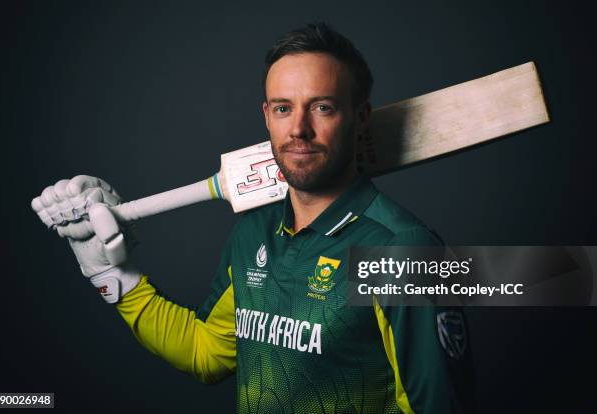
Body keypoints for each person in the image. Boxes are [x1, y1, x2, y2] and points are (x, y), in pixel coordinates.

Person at [32, 22, 475, 413]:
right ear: (267, 117)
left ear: (360, 118)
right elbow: (206, 353)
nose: (298, 128)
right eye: (283, 108)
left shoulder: (404, 250)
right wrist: (113, 276)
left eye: (322, 107)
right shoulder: (254, 232)